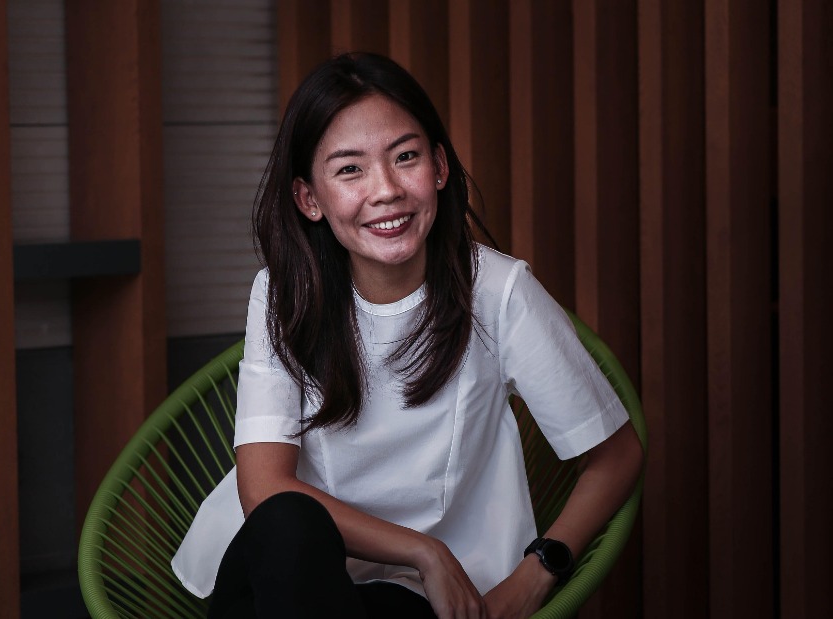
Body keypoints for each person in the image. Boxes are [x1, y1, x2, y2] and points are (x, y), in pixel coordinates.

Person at [172, 52, 644, 619]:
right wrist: (424, 550)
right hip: (283, 574)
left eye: (405, 157)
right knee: (288, 522)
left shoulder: (499, 292)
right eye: (350, 170)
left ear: (439, 167)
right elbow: (265, 487)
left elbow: (615, 454)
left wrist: (537, 572)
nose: (386, 190)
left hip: (412, 597)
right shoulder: (282, 293)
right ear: (309, 199)